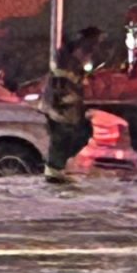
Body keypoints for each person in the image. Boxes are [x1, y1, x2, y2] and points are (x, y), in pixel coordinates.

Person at [42, 27, 102, 183]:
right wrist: (67, 103)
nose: (95, 49)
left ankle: (56, 171)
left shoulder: (72, 61)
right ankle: (54, 173)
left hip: (66, 109)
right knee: (62, 139)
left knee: (75, 135)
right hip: (60, 109)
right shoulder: (67, 62)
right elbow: (61, 86)